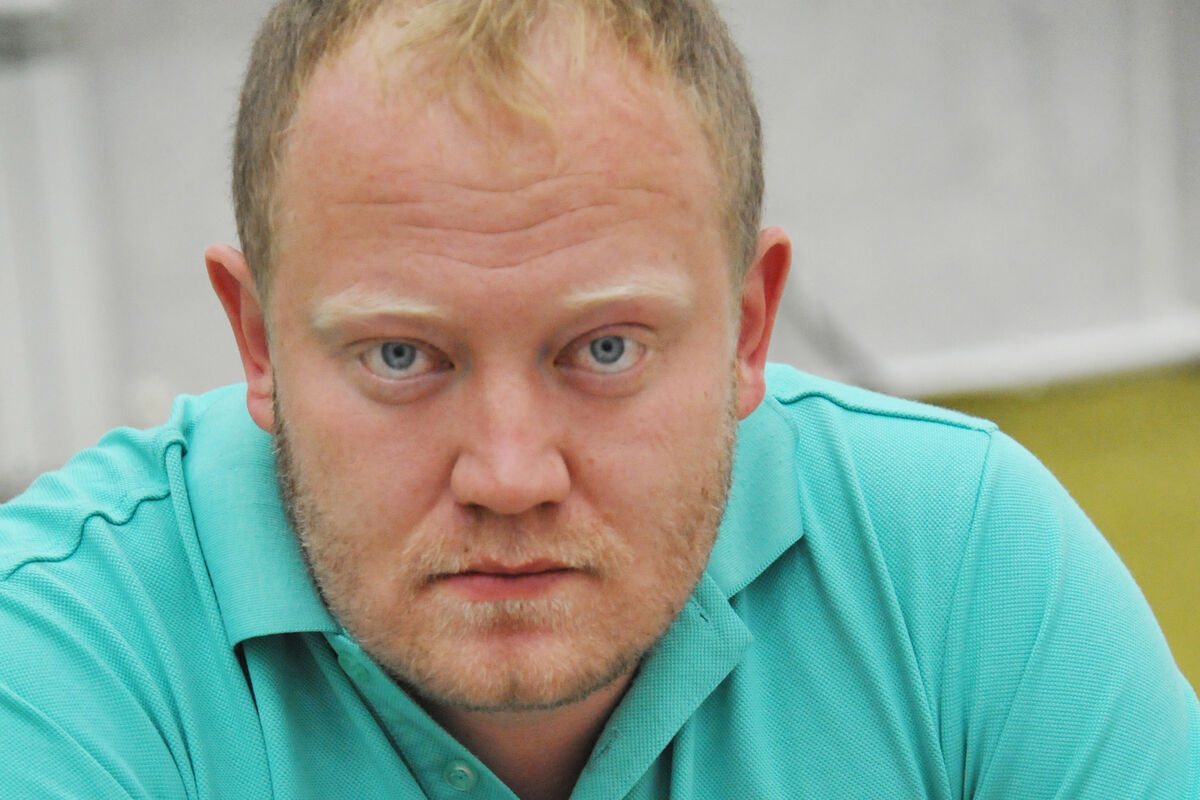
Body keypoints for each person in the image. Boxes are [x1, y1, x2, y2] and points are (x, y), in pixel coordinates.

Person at [1, 0, 1196, 797]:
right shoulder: (59, 655)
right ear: (257, 339)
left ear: (748, 327)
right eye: (402, 356)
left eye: (606, 348)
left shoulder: (960, 565)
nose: (510, 474)